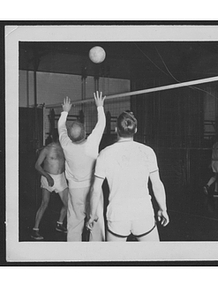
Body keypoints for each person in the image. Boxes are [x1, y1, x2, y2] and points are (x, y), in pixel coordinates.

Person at [86, 111, 169, 242]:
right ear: (135, 129)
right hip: (143, 214)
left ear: (115, 129)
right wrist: (163, 209)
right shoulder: (148, 151)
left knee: (114, 260)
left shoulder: (105, 154)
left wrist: (91, 215)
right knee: (153, 257)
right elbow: (157, 184)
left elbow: (95, 189)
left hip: (118, 216)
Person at [58, 91, 106, 241]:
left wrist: (65, 111)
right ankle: (96, 253)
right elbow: (101, 125)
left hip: (75, 189)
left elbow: (61, 128)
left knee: (74, 222)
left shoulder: (66, 144)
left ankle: (74, 254)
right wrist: (100, 107)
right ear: (85, 133)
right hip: (92, 188)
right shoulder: (91, 145)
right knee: (96, 222)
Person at [31, 129, 68, 240]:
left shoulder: (64, 148)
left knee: (68, 204)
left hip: (60, 178)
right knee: (44, 203)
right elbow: (37, 166)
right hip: (48, 177)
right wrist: (48, 177)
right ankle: (35, 230)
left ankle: (59, 224)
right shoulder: (47, 149)